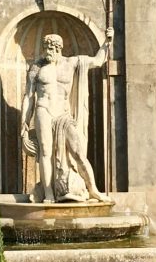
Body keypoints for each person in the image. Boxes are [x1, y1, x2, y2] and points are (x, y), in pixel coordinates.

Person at [20, 28, 113, 203]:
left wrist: (107, 42)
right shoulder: (36, 68)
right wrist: (24, 122)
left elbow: (98, 61)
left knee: (78, 153)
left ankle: (93, 189)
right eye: (45, 48)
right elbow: (29, 96)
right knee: (45, 153)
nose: (47, 52)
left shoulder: (71, 63)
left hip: (63, 114)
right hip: (43, 110)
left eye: (50, 49)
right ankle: (48, 194)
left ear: (58, 49)